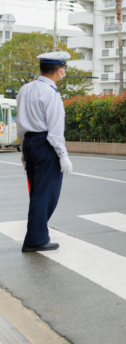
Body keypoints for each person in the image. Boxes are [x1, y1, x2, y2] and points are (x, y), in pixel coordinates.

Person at [16, 51, 74, 252]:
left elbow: (20, 125)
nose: (64, 72)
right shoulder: (51, 92)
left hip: (31, 142)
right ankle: (36, 238)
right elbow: (55, 128)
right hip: (46, 143)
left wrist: (24, 150)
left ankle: (37, 235)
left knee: (37, 193)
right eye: (63, 68)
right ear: (59, 70)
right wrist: (63, 155)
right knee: (46, 194)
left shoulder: (25, 89)